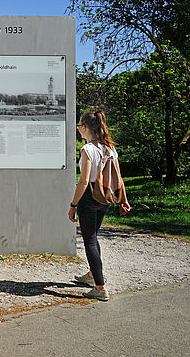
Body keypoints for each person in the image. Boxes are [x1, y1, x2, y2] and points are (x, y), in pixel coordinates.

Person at [68, 110, 130, 301]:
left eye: (79, 126)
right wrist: (124, 199)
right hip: (105, 197)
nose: (78, 129)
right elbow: (118, 177)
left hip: (89, 197)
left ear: (85, 128)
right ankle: (93, 275)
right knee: (93, 237)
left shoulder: (87, 150)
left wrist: (73, 204)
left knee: (90, 240)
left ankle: (100, 288)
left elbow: (84, 181)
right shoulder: (110, 149)